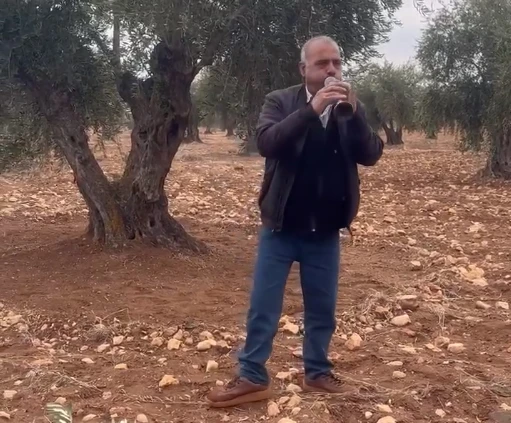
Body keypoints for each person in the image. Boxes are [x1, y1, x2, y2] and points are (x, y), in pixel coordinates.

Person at [207, 35, 384, 408]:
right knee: (263, 306)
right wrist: (311, 109)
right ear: (304, 69)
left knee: (322, 309)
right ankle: (252, 376)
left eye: (336, 62)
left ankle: (317, 372)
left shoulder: (351, 106)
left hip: (325, 230)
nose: (332, 70)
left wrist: (354, 115)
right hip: (280, 227)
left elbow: (371, 154)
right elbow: (267, 143)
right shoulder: (280, 101)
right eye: (322, 64)